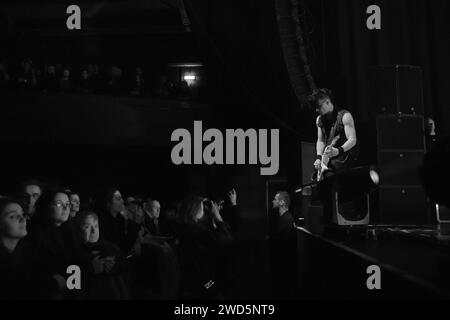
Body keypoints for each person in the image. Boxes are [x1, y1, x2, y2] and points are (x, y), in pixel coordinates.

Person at [309, 88, 358, 223]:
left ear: (327, 102)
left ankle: (344, 218)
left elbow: (353, 139)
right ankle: (328, 218)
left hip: (343, 158)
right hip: (328, 159)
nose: (317, 111)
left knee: (338, 187)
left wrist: (339, 151)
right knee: (320, 184)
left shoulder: (345, 116)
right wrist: (319, 158)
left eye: (319, 107)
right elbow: (321, 140)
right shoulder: (319, 120)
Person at [177, 195, 234, 299]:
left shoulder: (186, 227)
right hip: (204, 282)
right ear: (195, 209)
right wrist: (217, 216)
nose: (203, 210)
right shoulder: (196, 230)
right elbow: (226, 241)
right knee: (213, 293)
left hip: (193, 281)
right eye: (201, 207)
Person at [75, 211, 131, 299]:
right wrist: (91, 268)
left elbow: (125, 263)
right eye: (87, 227)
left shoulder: (109, 246)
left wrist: (113, 264)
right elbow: (71, 284)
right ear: (78, 231)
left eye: (96, 226)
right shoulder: (73, 251)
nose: (94, 231)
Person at [269, 191, 298, 299]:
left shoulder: (286, 220)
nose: (273, 201)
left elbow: (280, 248)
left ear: (282, 203)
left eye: (275, 199)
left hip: (284, 272)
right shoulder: (285, 219)